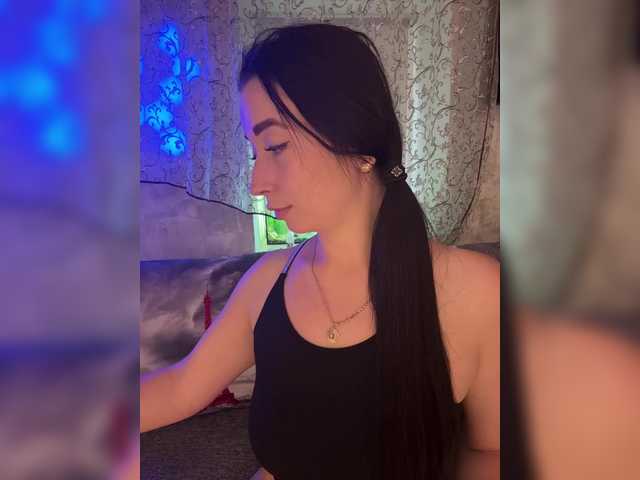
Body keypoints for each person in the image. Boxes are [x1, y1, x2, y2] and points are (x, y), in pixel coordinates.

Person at [141, 23, 499, 480]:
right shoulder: (267, 282)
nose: (257, 183)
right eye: (254, 153)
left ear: (356, 143)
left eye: (276, 146)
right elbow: (179, 388)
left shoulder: (475, 292)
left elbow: (493, 452)